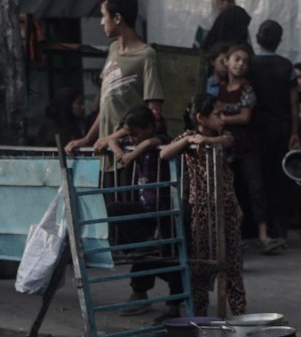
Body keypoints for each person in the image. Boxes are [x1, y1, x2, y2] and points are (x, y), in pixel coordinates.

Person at [160, 94, 244, 317]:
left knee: (233, 264)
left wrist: (206, 141)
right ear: (201, 117)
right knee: (200, 267)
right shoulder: (188, 136)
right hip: (201, 209)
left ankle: (239, 316)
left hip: (226, 208)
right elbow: (164, 153)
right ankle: (200, 317)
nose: (223, 118)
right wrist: (188, 141)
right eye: (217, 114)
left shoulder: (222, 135)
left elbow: (227, 141)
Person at [64, 0, 163, 177]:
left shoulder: (146, 55)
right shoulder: (113, 49)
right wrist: (88, 139)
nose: (102, 22)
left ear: (117, 18)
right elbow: (107, 105)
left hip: (129, 154)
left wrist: (113, 137)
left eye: (103, 16)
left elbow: (153, 112)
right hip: (106, 155)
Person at [104, 106, 182, 320]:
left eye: (135, 133)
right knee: (115, 211)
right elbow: (110, 140)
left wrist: (134, 153)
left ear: (150, 128)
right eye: (129, 133)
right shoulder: (135, 140)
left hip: (165, 208)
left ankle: (175, 305)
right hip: (145, 207)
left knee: (172, 254)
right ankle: (141, 281)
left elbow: (153, 142)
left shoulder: (163, 140)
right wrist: (121, 152)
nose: (131, 138)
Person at [216, 43, 279, 255]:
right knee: (231, 192)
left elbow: (245, 116)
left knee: (256, 189)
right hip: (226, 147)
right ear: (227, 61)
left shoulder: (247, 88)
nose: (240, 64)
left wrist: (223, 117)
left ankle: (263, 235)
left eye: (245, 61)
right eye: (237, 59)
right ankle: (234, 236)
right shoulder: (220, 88)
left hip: (247, 146)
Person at [247, 20, 297, 255]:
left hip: (257, 130)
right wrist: (295, 131)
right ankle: (281, 232)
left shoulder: (251, 64)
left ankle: (262, 231)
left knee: (261, 181)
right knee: (281, 182)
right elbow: (293, 103)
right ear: (279, 40)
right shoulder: (287, 66)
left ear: (258, 38)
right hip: (281, 129)